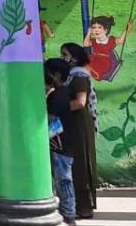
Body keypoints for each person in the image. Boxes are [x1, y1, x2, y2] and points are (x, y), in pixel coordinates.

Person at [55, 44, 97, 219]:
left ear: (76, 58)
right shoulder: (70, 77)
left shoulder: (79, 76)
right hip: (72, 124)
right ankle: (75, 204)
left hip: (79, 125)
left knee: (80, 163)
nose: (63, 58)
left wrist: (59, 108)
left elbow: (80, 102)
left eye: (65, 55)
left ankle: (85, 206)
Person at [45, 58, 77, 225]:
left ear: (56, 75)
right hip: (65, 143)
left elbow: (50, 119)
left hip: (60, 145)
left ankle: (68, 214)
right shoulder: (63, 92)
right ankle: (67, 211)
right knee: (62, 179)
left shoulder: (57, 96)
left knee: (63, 179)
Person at [82, 15, 133, 82]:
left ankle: (96, 74)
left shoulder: (110, 41)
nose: (96, 30)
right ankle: (91, 71)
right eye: (94, 28)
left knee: (95, 67)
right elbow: (85, 44)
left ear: (106, 30)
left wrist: (128, 29)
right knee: (85, 62)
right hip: (95, 58)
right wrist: (89, 33)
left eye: (99, 27)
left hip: (104, 61)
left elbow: (121, 40)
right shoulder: (94, 41)